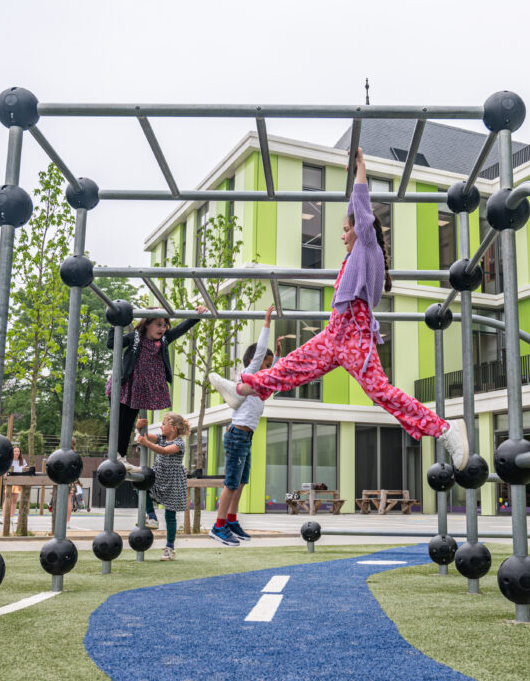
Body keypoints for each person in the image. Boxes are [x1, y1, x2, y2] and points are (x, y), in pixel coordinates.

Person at [212, 149, 467, 468]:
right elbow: (355, 213)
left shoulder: (367, 248)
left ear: (361, 231)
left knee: (380, 392)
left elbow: (361, 210)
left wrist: (362, 167)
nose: (342, 235)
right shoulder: (353, 259)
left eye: (347, 230)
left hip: (354, 337)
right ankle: (243, 388)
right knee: (291, 366)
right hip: (335, 334)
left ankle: (447, 430)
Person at [107, 304, 207, 528]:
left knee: (130, 421)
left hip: (143, 388)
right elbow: (111, 344)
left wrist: (196, 316)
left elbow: (181, 329)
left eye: (164, 325)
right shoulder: (134, 337)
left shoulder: (163, 340)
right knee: (119, 420)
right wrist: (116, 322)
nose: (162, 328)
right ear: (147, 323)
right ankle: (114, 453)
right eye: (158, 324)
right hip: (127, 383)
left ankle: (121, 455)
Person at [208, 306, 274, 546]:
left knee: (242, 481)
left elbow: (277, 372)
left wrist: (276, 355)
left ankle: (232, 520)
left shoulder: (263, 383)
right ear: (253, 363)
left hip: (246, 437)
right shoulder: (249, 374)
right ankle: (218, 525)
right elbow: (258, 357)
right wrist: (266, 323)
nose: (267, 367)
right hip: (237, 435)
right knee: (232, 482)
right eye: (265, 363)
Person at [135, 413, 189, 561]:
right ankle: (152, 517)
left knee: (170, 515)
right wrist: (138, 427)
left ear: (173, 428)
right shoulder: (161, 438)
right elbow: (145, 435)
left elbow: (164, 451)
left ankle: (170, 547)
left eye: (164, 424)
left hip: (172, 481)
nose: (161, 426)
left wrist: (146, 443)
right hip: (159, 476)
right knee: (140, 486)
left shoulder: (179, 443)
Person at [5, 444, 29, 521]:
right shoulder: (9, 461)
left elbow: (24, 472)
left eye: (18, 451)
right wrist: (6, 482)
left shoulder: (22, 461)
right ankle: (4, 517)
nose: (17, 452)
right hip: (10, 482)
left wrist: (21, 483)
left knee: (14, 500)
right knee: (7, 499)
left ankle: (12, 517)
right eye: (15, 451)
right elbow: (5, 472)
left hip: (18, 482)